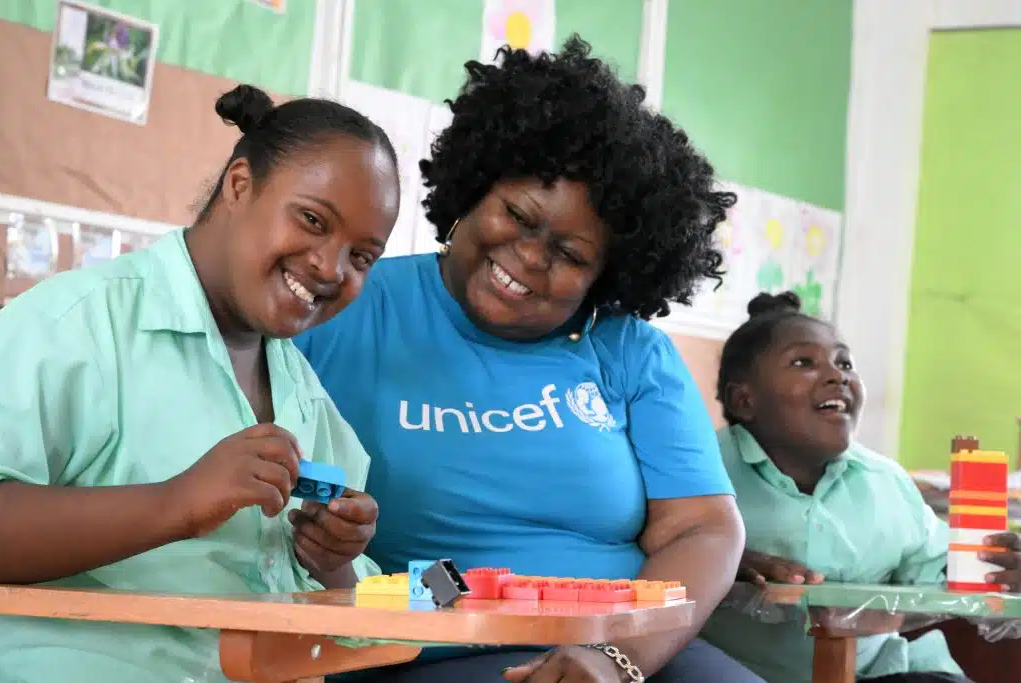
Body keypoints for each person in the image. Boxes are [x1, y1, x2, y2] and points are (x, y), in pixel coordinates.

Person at [296, 36, 763, 683]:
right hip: (428, 646)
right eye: (517, 215)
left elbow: (703, 529)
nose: (530, 257)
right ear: (474, 186)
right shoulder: (346, 306)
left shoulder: (629, 350)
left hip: (630, 649)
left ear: (606, 277)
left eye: (571, 255)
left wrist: (616, 660)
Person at [0, 84, 400, 683]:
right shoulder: (76, 325)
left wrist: (335, 563)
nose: (330, 266)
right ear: (239, 186)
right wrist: (177, 502)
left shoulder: (305, 395)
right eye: (313, 220)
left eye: (362, 257)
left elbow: (342, 609)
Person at [700, 291, 1021, 683]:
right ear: (744, 400)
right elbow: (652, 557)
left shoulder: (885, 483)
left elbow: (945, 573)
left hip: (876, 673)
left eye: (845, 363)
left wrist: (997, 573)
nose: (838, 376)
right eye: (803, 362)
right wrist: (725, 559)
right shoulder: (700, 474)